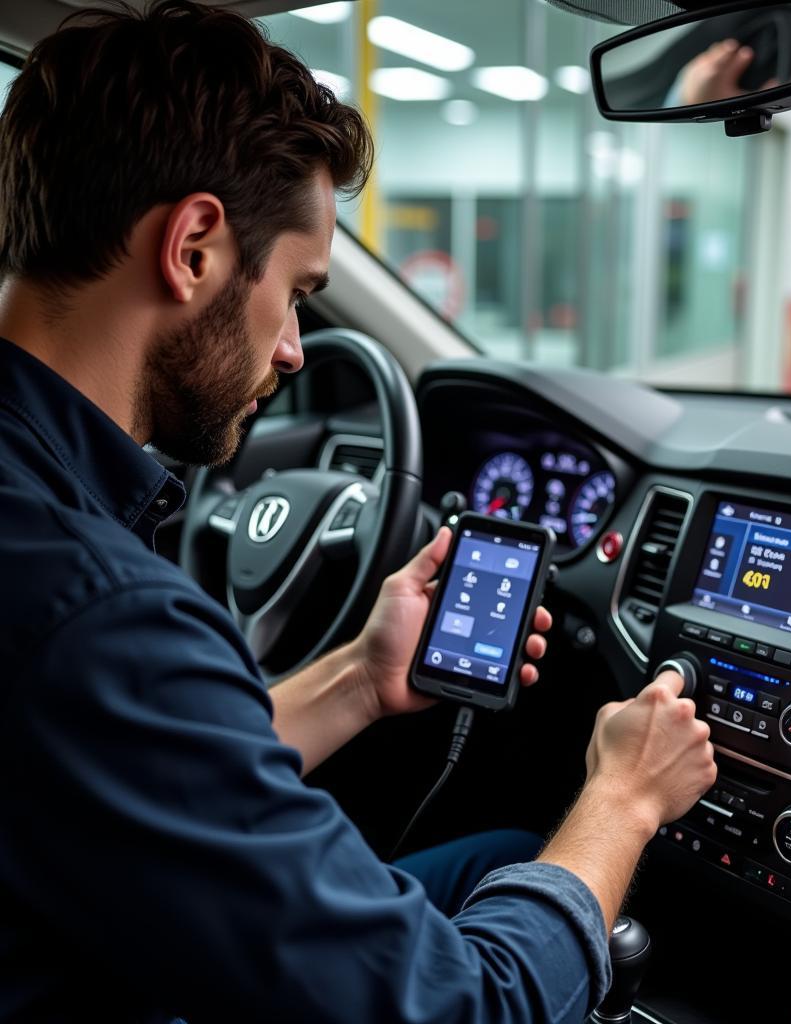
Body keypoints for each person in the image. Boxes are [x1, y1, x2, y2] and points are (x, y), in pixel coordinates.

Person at [0, 3, 717, 1022]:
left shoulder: (49, 537)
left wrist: (359, 679)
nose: (294, 347)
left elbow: (137, 778)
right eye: (298, 291)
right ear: (195, 246)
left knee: (511, 861)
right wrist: (624, 797)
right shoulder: (99, 611)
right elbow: (464, 1005)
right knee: (552, 885)